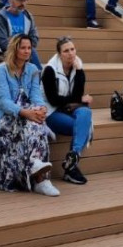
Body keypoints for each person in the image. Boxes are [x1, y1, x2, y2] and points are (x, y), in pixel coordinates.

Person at [0, 34, 58, 196]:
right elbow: (3, 102)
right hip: (0, 116)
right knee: (33, 124)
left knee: (35, 123)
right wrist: (27, 113)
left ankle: (39, 174)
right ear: (15, 49)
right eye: (23, 47)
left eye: (29, 48)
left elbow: (36, 95)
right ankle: (40, 177)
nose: (27, 51)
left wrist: (41, 108)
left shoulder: (32, 70)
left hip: (23, 111)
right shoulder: (2, 69)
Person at [42, 37, 94, 185]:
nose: (71, 53)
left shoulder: (77, 67)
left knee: (86, 113)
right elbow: (53, 100)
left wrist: (79, 72)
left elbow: (78, 94)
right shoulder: (49, 70)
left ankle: (73, 156)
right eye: (66, 51)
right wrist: (78, 99)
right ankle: (71, 168)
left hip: (68, 109)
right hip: (51, 112)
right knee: (83, 127)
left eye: (72, 49)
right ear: (59, 54)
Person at [0, 0, 41, 67]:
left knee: (31, 51)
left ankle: (39, 77)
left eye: (25, 0)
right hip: (8, 53)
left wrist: (24, 47)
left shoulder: (28, 17)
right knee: (31, 52)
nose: (22, 3)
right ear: (10, 1)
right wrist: (21, 47)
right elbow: (3, 43)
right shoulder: (1, 18)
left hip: (26, 51)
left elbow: (35, 39)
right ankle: (39, 76)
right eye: (19, 0)